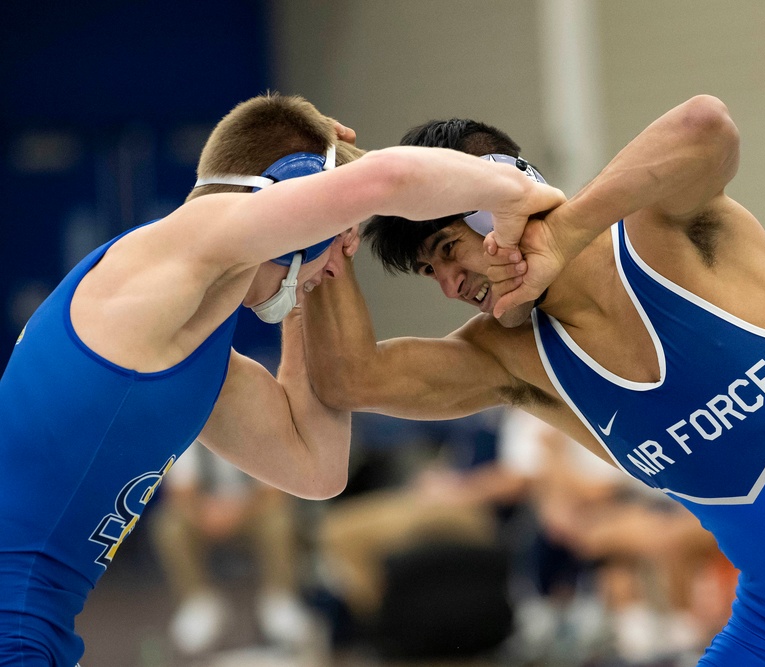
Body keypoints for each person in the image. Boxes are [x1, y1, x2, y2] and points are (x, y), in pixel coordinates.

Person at [305, 95, 765, 665]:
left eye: (450, 250)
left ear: (499, 205)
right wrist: (316, 215)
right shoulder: (513, 359)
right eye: (433, 273)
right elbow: (347, 376)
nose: (452, 285)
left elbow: (707, 124)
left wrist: (562, 230)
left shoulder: (667, 233)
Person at [0, 92, 565, 666]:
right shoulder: (166, 252)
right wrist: (526, 197)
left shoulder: (183, 347)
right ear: (294, 198)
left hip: (38, 628)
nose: (337, 261)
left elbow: (315, 469)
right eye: (337, 236)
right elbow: (390, 176)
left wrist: (308, 286)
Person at [150, 441, 313, 656]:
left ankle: (280, 599)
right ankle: (197, 602)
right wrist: (206, 514)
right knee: (169, 525)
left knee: (280, 520)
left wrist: (235, 511)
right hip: (204, 514)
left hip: (252, 510)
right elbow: (180, 492)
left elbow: (273, 490)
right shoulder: (191, 437)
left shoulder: (259, 432)